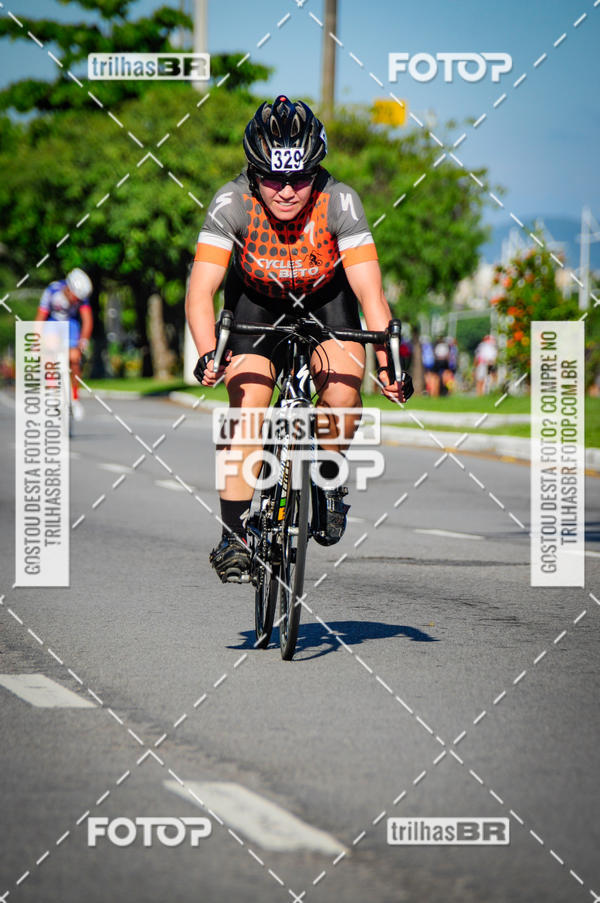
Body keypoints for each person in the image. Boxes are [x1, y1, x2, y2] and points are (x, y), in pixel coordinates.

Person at [185, 95, 413, 583]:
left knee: (344, 389)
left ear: (317, 170)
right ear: (252, 172)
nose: (287, 190)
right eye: (272, 177)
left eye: (299, 177)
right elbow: (200, 291)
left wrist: (389, 365)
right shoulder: (231, 203)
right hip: (255, 303)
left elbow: (371, 296)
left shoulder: (340, 201)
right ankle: (234, 533)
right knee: (247, 408)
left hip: (326, 300)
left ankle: (328, 480)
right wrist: (208, 352)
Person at [35, 268, 93, 420]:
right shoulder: (52, 291)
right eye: (76, 297)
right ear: (69, 289)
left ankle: (74, 398)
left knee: (74, 358)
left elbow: (87, 320)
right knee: (49, 351)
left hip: (71, 325)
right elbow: (41, 317)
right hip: (53, 324)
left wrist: (84, 340)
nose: (77, 301)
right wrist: (36, 340)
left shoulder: (82, 299)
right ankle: (52, 392)